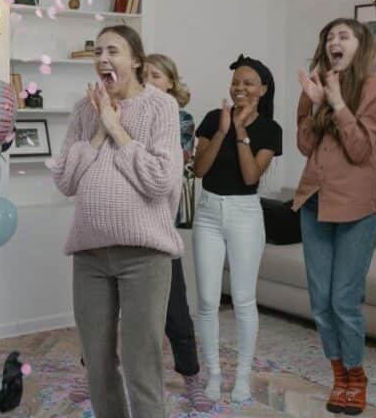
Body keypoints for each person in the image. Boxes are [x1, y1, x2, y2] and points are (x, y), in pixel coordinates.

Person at [52, 25, 183, 418]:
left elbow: (161, 179)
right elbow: (65, 180)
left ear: (136, 60)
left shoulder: (161, 107)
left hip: (144, 257)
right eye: (98, 52)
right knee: (97, 365)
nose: (103, 59)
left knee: (142, 366)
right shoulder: (83, 109)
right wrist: (96, 131)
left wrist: (115, 128)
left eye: (114, 51)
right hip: (90, 257)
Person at [294, 19, 376, 415]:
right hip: (315, 201)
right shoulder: (314, 84)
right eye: (329, 37)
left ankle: (356, 375)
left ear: (360, 45)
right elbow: (304, 145)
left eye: (343, 36)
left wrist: (336, 104)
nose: (334, 42)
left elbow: (359, 150)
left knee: (344, 301)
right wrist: (316, 103)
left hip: (356, 209)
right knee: (320, 302)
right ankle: (339, 377)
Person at [193, 54, 282, 403]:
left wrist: (241, 133)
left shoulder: (269, 130)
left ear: (262, 89)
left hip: (245, 214)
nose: (239, 88)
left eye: (248, 83)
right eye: (236, 82)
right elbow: (199, 170)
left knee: (244, 300)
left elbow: (250, 176)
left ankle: (242, 376)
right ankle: (213, 373)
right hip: (209, 213)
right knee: (206, 300)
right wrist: (222, 132)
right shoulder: (214, 119)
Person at [144, 53, 212, 411]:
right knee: (110, 310)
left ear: (170, 82)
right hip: (125, 225)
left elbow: (169, 165)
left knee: (175, 310)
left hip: (162, 226)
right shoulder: (126, 114)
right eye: (144, 75)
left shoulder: (182, 120)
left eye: (156, 76)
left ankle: (191, 378)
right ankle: (94, 373)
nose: (149, 81)